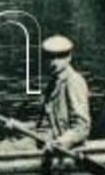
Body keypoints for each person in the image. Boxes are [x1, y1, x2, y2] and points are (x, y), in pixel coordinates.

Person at [37, 34, 91, 164]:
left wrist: (61, 142)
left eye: (60, 56)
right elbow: (45, 125)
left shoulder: (74, 82)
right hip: (50, 143)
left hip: (67, 147)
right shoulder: (52, 85)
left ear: (69, 57)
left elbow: (82, 127)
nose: (54, 62)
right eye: (50, 57)